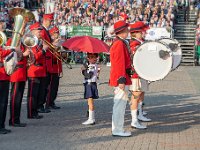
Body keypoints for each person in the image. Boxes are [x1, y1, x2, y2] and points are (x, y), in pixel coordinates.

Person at [109, 20, 132, 137]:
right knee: (120, 104)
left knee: (119, 104)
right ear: (121, 31)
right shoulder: (119, 44)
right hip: (121, 77)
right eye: (126, 29)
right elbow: (119, 63)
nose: (128, 31)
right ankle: (117, 129)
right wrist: (121, 79)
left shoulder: (120, 42)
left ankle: (117, 128)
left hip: (122, 76)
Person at [129, 21, 151, 130]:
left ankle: (140, 114)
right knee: (135, 96)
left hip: (141, 73)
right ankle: (134, 121)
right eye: (141, 31)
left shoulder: (140, 42)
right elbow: (136, 60)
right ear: (136, 32)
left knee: (141, 95)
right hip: (136, 74)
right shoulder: (134, 44)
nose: (143, 33)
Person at [6, 37, 30, 127]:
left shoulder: (22, 42)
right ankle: (13, 120)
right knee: (15, 98)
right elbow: (10, 57)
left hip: (22, 73)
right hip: (16, 73)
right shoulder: (12, 41)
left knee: (18, 98)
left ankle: (16, 119)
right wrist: (23, 54)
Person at [27, 22, 48, 119]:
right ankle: (31, 113)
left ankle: (35, 111)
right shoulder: (31, 41)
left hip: (40, 70)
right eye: (38, 30)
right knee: (32, 94)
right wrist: (43, 50)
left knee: (38, 93)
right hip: (34, 70)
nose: (40, 32)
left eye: (40, 30)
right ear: (33, 31)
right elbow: (35, 56)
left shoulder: (38, 41)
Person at [0, 45, 20, 134]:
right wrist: (11, 49)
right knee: (2, 103)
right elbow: (1, 53)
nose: (2, 30)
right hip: (1, 77)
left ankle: (1, 125)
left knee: (3, 103)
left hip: (5, 76)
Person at [38, 13, 54, 113]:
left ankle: (42, 104)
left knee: (45, 85)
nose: (51, 23)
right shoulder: (42, 31)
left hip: (47, 61)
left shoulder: (46, 31)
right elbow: (42, 45)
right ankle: (40, 105)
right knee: (43, 86)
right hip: (44, 60)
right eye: (50, 21)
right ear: (45, 20)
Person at [45, 26, 62, 109]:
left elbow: (60, 59)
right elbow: (50, 58)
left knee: (55, 87)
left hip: (57, 68)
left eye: (57, 33)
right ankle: (48, 103)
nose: (57, 36)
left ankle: (52, 101)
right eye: (55, 34)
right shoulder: (49, 45)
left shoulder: (57, 45)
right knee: (50, 87)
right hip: (52, 69)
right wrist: (54, 47)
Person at [81, 53, 100, 125]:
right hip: (89, 84)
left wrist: (83, 70)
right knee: (89, 102)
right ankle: (90, 115)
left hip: (90, 84)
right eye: (91, 57)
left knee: (90, 102)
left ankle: (91, 119)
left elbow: (88, 75)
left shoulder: (93, 66)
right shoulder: (91, 65)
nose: (93, 59)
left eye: (94, 57)